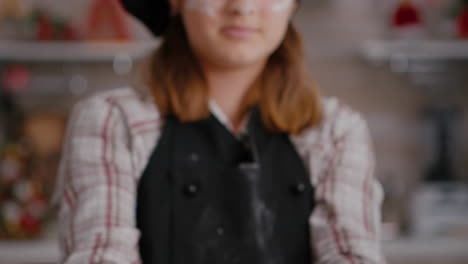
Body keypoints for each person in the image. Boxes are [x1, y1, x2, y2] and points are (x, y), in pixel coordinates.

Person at [53, 0, 386, 263]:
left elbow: (350, 253)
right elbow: (102, 253)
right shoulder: (113, 122)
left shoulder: (335, 131)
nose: (242, 6)